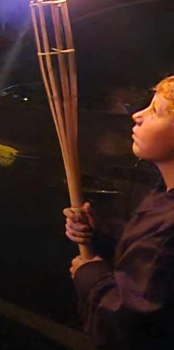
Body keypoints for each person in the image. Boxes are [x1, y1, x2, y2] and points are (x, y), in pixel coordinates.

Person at [64, 75, 174, 349]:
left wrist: (91, 275)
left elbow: (128, 327)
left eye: (155, 112)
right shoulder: (165, 193)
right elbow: (149, 257)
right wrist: (98, 230)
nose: (137, 115)